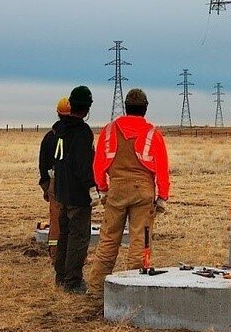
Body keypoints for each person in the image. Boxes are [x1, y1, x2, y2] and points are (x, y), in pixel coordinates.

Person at [88, 88, 170, 295]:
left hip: (116, 190)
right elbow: (162, 167)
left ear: (126, 107)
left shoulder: (108, 130)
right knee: (139, 242)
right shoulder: (153, 133)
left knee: (108, 240)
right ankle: (133, 290)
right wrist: (162, 197)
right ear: (145, 108)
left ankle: (97, 288)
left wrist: (103, 190)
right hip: (143, 192)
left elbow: (98, 165)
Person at [52, 85, 96, 293]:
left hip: (62, 191)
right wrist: (91, 187)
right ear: (87, 109)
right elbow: (83, 165)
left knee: (65, 234)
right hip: (77, 194)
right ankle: (73, 282)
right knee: (78, 237)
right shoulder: (82, 132)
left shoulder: (60, 129)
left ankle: (60, 276)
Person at [38, 97, 71, 260]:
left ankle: (55, 253)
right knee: (74, 217)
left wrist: (46, 186)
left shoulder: (49, 137)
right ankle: (74, 254)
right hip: (74, 184)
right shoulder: (80, 136)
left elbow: (42, 164)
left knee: (56, 217)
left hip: (54, 182)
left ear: (58, 113)